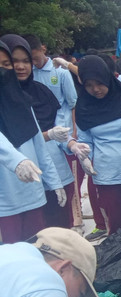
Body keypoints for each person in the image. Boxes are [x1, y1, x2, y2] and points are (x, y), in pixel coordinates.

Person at [67, 55, 121, 236]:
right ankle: (118, 262)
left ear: (107, 78)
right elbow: (85, 141)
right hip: (105, 174)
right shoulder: (84, 107)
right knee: (114, 225)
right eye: (89, 85)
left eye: (99, 83)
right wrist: (85, 158)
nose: (95, 89)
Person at [1, 34, 74, 229]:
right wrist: (18, 161)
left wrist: (55, 182)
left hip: (34, 192)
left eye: (26, 61)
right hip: (7, 199)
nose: (19, 67)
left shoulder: (25, 101)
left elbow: (39, 148)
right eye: (11, 63)